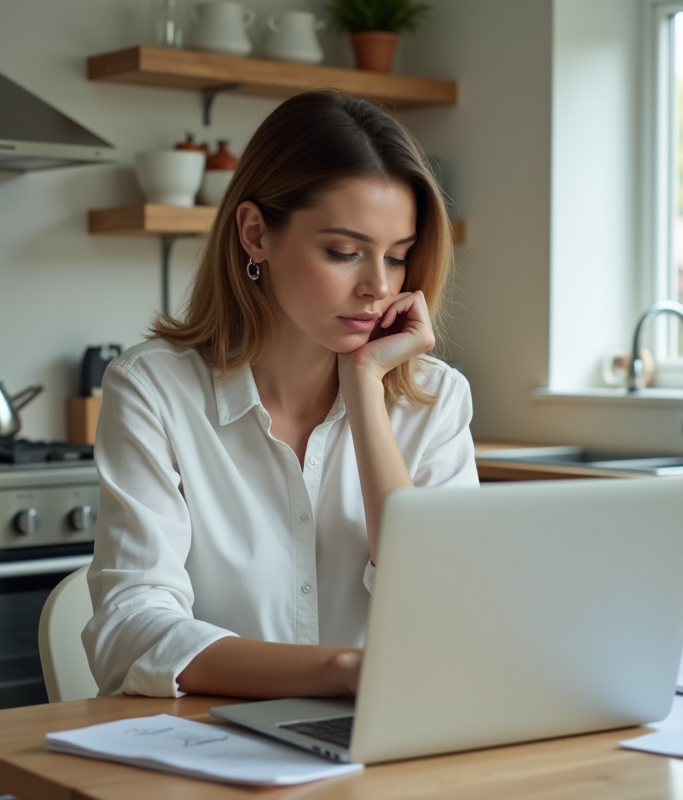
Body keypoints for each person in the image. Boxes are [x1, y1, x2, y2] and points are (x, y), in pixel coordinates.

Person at [83, 90, 478, 700]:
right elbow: (131, 628)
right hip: (208, 756)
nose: (378, 286)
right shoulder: (153, 389)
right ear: (254, 234)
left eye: (398, 258)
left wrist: (366, 394)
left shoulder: (435, 401)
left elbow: (447, 607)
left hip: (389, 751)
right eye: (343, 252)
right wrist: (341, 671)